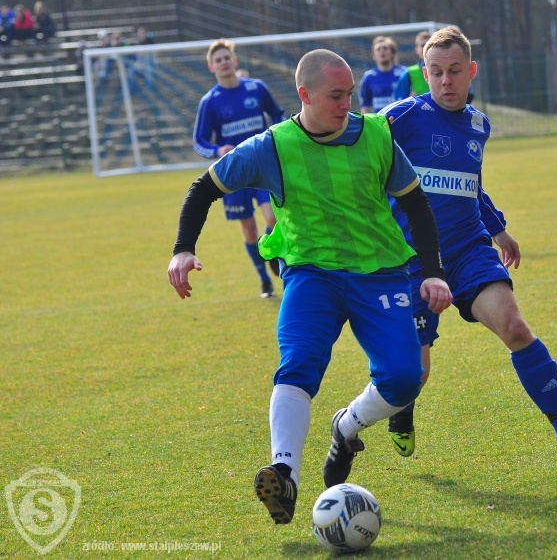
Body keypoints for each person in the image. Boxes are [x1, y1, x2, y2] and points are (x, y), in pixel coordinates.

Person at [168, 48, 453, 525]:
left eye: (350, 95)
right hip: (311, 275)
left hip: (380, 274)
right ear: (304, 94)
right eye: (336, 96)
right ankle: (285, 474)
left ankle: (346, 426)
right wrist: (183, 248)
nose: (347, 104)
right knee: (298, 363)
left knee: (405, 379)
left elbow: (416, 204)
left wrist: (433, 271)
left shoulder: (377, 135)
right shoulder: (273, 146)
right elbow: (205, 188)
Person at [379, 26, 557, 464]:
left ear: (472, 71)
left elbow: (471, 186)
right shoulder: (400, 117)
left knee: (515, 328)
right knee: (414, 374)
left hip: (468, 251)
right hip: (413, 262)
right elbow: (357, 148)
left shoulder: (479, 125)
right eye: (436, 72)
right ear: (424, 72)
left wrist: (498, 229)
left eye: (455, 71)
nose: (446, 81)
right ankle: (402, 411)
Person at [192, 39, 285, 298]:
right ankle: (264, 279)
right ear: (212, 67)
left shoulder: (257, 88)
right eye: (218, 60)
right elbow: (199, 141)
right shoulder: (210, 101)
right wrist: (217, 150)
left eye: (226, 58)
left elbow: (277, 115)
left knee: (273, 218)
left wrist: (276, 135)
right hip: (233, 173)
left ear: (234, 61)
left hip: (263, 166)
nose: (223, 63)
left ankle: (269, 250)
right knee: (248, 230)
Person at [358, 35, 404, 114]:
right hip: (379, 120)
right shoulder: (368, 77)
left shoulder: (403, 73)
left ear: (392, 53)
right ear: (374, 55)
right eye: (378, 49)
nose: (382, 51)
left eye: (385, 48)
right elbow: (365, 105)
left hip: (401, 118)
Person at [392, 30, 430, 102]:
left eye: (428, 45)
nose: (426, 48)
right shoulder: (409, 72)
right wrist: (408, 100)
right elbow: (398, 99)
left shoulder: (442, 69)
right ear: (417, 50)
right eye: (422, 45)